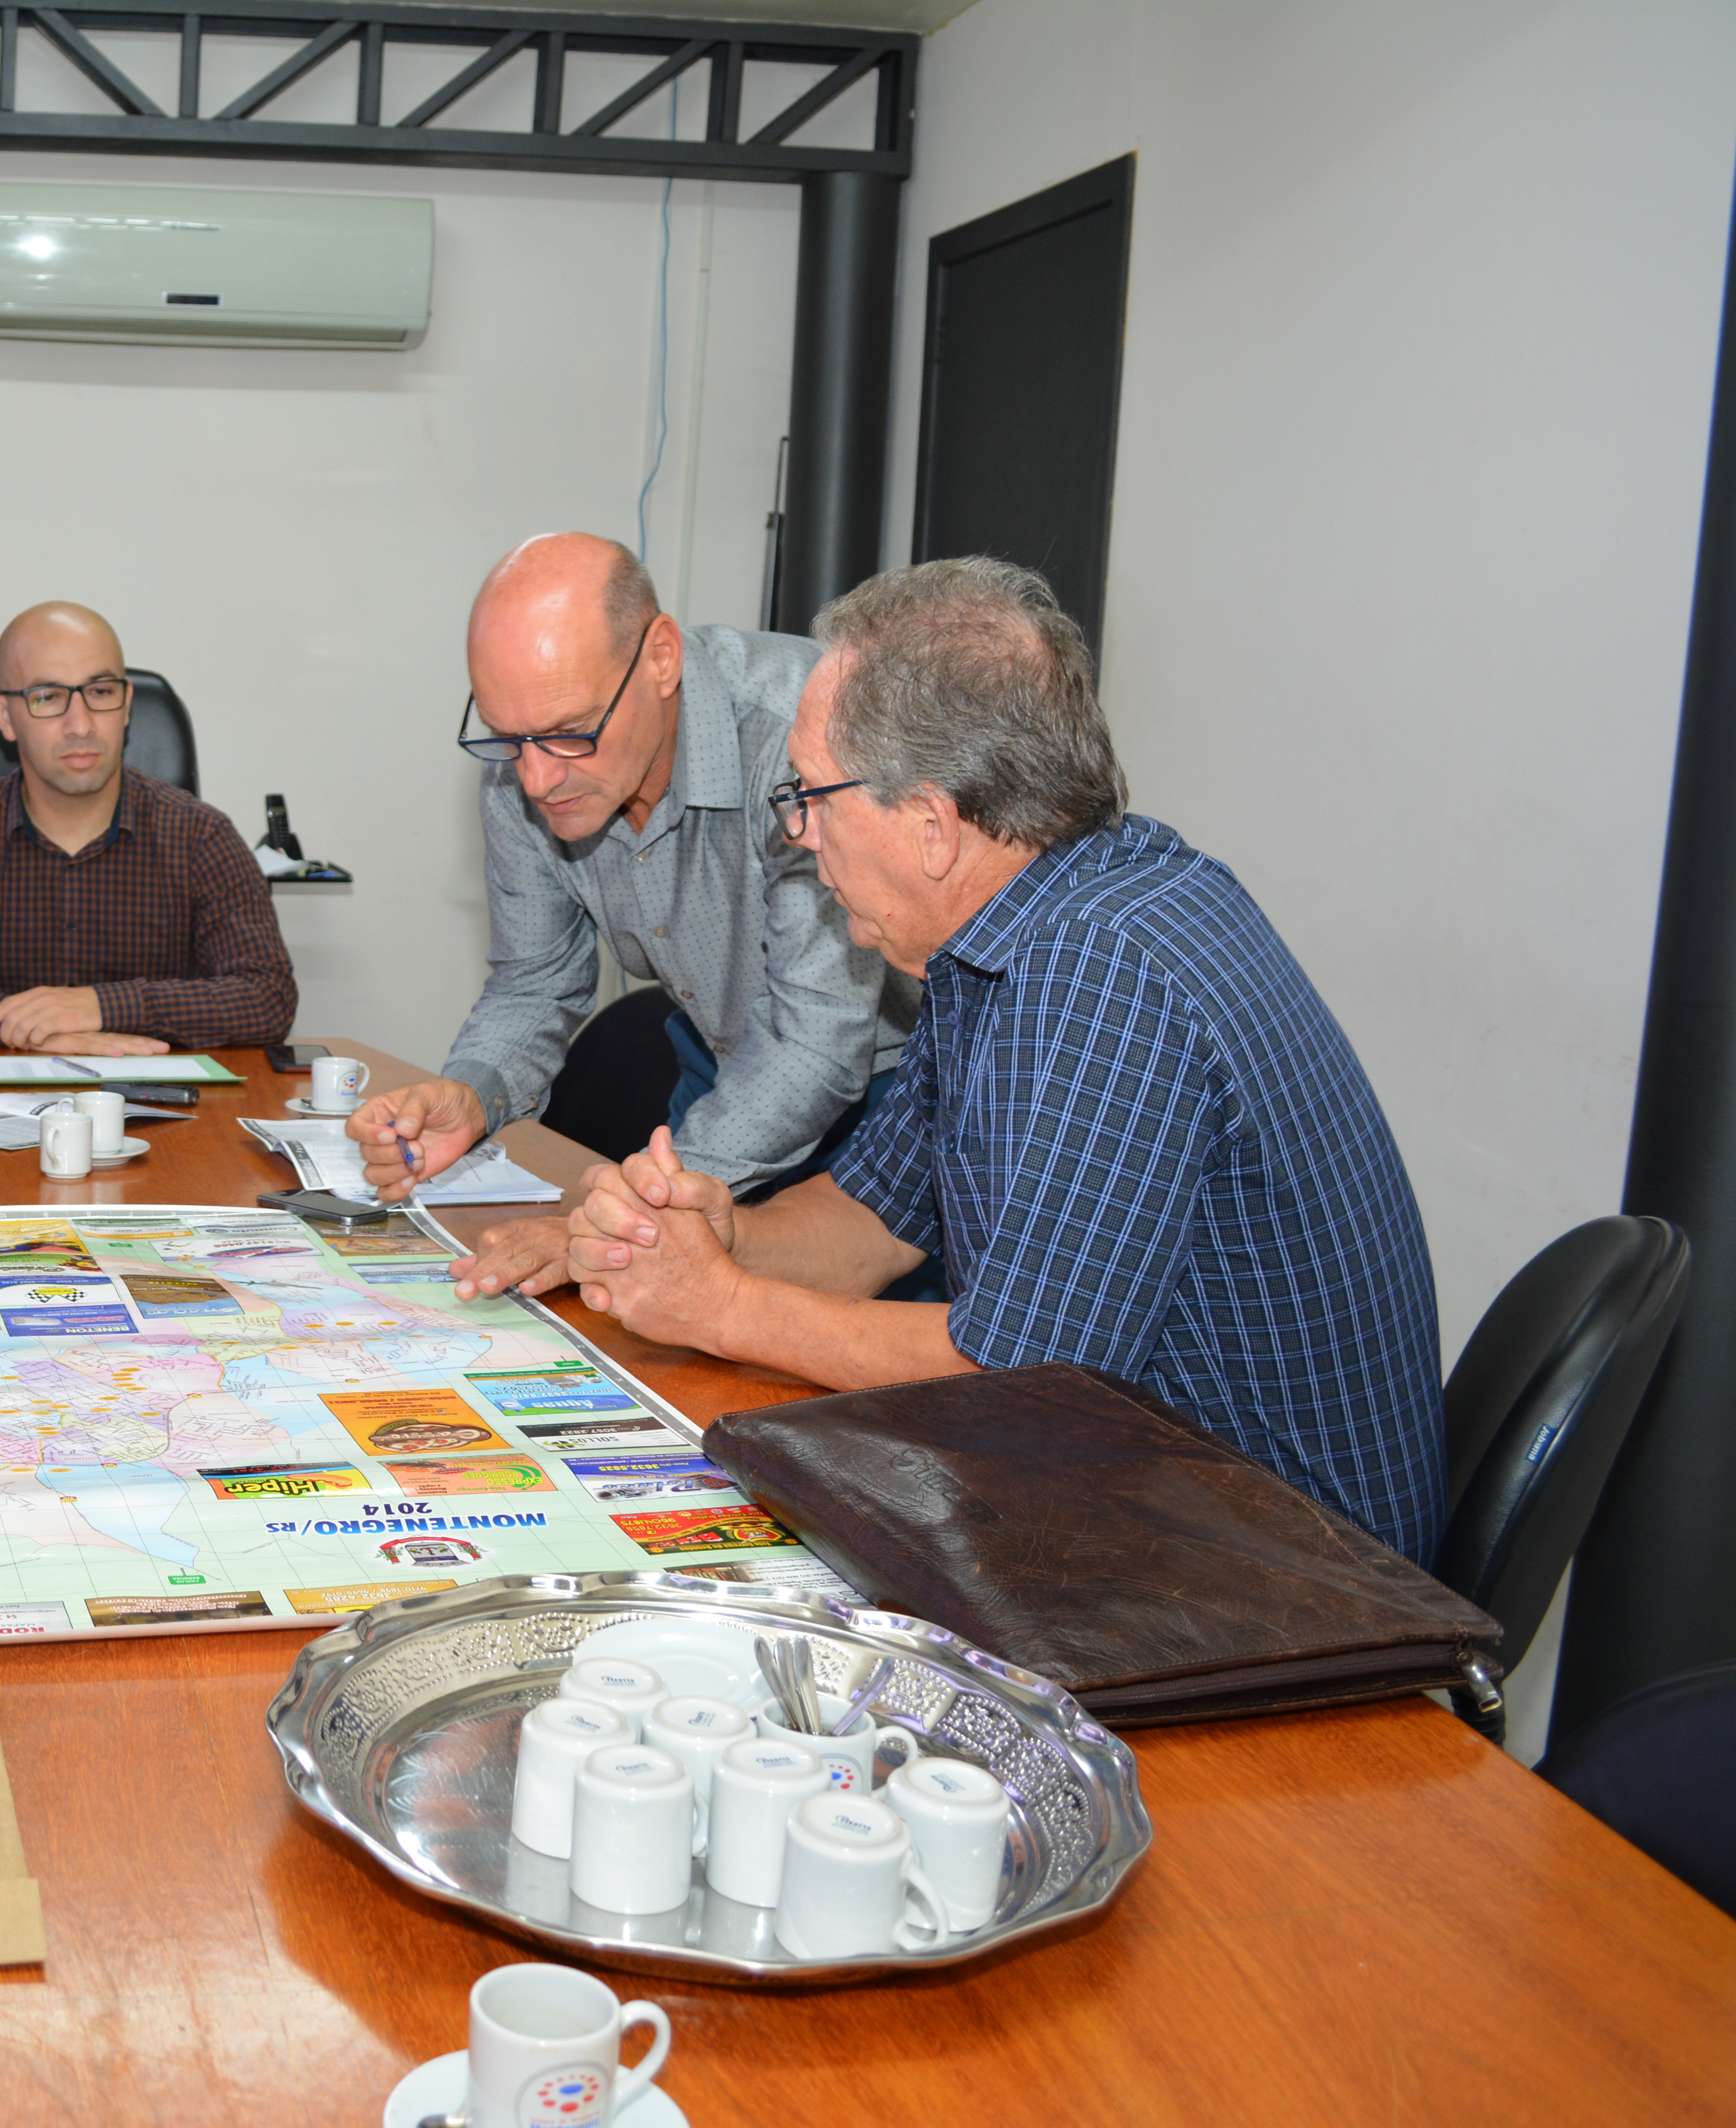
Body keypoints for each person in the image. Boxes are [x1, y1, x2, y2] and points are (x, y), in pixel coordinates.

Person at [565, 559, 1445, 1562]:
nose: (800, 837)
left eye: (810, 797)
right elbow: (876, 1219)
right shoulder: (1023, 925)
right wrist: (720, 1237)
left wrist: (722, 1307)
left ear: (933, 825)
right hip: (1165, 1504)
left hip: (1284, 1573)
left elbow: (1014, 1385)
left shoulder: (1096, 972)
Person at [348, 534, 908, 1301]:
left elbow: (817, 1040)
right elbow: (536, 981)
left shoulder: (798, 740)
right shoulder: (527, 763)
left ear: (663, 658)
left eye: (570, 732)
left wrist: (620, 1212)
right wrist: (474, 1095)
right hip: (725, 1073)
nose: (539, 778)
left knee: (859, 1377)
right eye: (511, 738)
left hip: (898, 1095)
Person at [0, 601, 295, 1054]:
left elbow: (268, 996)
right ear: (5, 717)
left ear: (126, 706)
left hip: (166, 1110)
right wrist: (20, 1021)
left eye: (100, 693)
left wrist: (104, 1005)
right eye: (47, 697)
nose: (80, 725)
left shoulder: (201, 837)